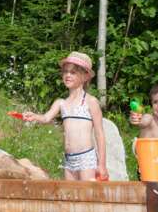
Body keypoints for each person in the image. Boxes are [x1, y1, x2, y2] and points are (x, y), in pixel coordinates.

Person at [23, 52, 108, 181]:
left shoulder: (90, 102)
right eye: (65, 72)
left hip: (86, 158)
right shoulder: (61, 103)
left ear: (85, 77)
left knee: (86, 196)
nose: (68, 75)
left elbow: (99, 134)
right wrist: (34, 116)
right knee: (71, 197)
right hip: (69, 160)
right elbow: (46, 118)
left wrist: (101, 165)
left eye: (73, 72)